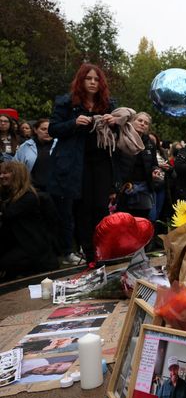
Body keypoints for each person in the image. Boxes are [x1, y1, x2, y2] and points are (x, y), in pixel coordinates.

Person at [48, 63, 117, 263]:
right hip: (77, 163)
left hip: (102, 162)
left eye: (97, 79)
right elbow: (53, 129)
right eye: (89, 78)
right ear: (81, 80)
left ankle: (103, 250)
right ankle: (89, 253)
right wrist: (73, 122)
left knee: (101, 208)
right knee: (83, 208)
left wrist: (113, 122)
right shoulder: (66, 102)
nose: (93, 82)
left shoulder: (108, 104)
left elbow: (118, 135)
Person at [0, 161, 60, 279]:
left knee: (4, 263)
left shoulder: (29, 197)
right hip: (15, 243)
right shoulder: (7, 195)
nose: (1, 176)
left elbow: (7, 214)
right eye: (0, 173)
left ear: (17, 175)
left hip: (31, 247)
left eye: (5, 173)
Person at [115, 112, 159, 219]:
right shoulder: (122, 138)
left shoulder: (150, 143)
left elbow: (154, 164)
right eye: (140, 120)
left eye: (146, 123)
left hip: (144, 188)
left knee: (142, 221)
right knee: (123, 220)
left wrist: (155, 171)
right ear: (132, 122)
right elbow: (115, 164)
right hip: (125, 188)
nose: (143, 124)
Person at [13, 118, 54, 191]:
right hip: (31, 189)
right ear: (35, 130)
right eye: (43, 129)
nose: (47, 132)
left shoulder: (59, 145)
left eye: (50, 129)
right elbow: (15, 167)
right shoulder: (25, 146)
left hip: (55, 190)